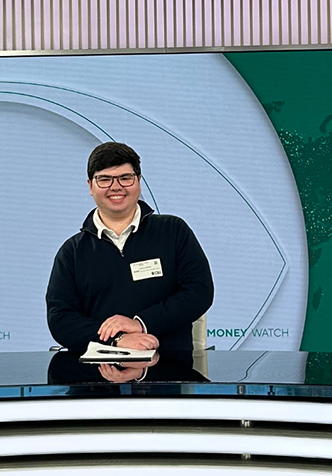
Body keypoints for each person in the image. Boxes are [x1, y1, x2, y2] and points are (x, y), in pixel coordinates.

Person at [46, 142, 214, 355]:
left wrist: (141, 323)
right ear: (90, 186)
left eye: (125, 178)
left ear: (139, 182)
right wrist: (117, 340)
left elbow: (199, 292)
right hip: (97, 370)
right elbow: (60, 318)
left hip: (169, 366)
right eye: (104, 179)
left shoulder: (173, 231)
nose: (116, 187)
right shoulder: (72, 252)